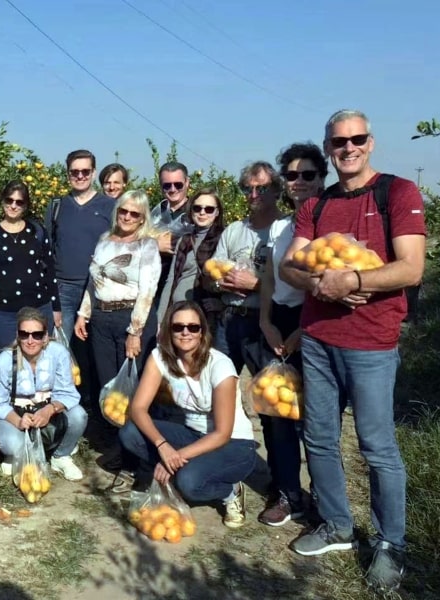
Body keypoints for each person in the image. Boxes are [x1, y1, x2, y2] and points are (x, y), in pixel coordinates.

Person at [280, 109, 426, 592]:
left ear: (370, 142)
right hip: (319, 339)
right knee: (319, 437)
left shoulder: (397, 192)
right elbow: (289, 269)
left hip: (372, 343)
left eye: (356, 138)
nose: (348, 148)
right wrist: (325, 282)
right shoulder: (316, 206)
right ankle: (338, 525)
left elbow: (410, 270)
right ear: (328, 147)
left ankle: (390, 542)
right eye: (338, 141)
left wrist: (356, 279)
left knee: (377, 446)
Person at [118, 301, 257, 528]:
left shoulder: (220, 366)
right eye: (178, 327)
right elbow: (138, 408)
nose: (185, 332)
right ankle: (174, 474)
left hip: (234, 444)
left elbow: (222, 434)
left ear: (202, 331)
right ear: (168, 331)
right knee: (130, 433)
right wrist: (163, 446)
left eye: (193, 327)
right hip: (193, 434)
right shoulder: (160, 357)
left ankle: (229, 491)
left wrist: (175, 456)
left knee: (189, 483)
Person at [255, 143, 327, 527]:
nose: (298, 182)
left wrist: (304, 328)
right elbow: (269, 275)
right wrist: (266, 320)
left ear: (322, 177)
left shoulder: (331, 220)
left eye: (308, 175)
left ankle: (322, 497)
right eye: (292, 175)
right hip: (280, 320)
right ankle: (288, 492)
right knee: (277, 411)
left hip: (315, 321)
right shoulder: (282, 226)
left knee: (316, 418)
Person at [0, 306, 87, 480]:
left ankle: (60, 455)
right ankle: (17, 454)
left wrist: (50, 409)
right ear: (18, 336)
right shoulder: (5, 360)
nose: (30, 340)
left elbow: (69, 394)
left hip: (49, 412)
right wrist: (18, 421)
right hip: (15, 415)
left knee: (79, 415)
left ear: (46, 337)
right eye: (24, 334)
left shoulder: (58, 354)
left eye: (37, 335)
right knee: (13, 445)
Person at [74, 190, 161, 382]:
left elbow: (147, 292)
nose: (127, 216)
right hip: (101, 318)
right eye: (123, 211)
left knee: (130, 381)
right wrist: (83, 314)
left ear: (142, 219)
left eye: (134, 213)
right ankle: (104, 414)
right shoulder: (105, 240)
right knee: (106, 381)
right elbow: (94, 280)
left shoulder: (146, 245)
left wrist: (135, 332)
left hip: (129, 316)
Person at [208, 161, 285, 378]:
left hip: (267, 324)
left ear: (276, 191)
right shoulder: (234, 230)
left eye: (261, 188)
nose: (253, 194)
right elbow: (211, 273)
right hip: (230, 321)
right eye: (247, 188)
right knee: (220, 387)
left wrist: (255, 285)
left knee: (269, 395)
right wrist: (218, 283)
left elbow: (294, 288)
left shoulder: (285, 230)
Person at [0, 180, 61, 350]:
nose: (13, 206)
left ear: (26, 205)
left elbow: (50, 272)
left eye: (19, 202)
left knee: (41, 361)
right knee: (7, 362)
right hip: (4, 314)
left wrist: (56, 308)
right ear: (2, 201)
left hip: (39, 309)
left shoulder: (37, 231)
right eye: (9, 200)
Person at [44, 149, 115, 339]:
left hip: (99, 288)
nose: (80, 176)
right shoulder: (57, 206)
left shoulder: (110, 206)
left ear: (93, 172)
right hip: (63, 288)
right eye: (75, 172)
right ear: (68, 174)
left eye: (85, 171)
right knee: (61, 347)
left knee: (96, 350)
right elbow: (48, 249)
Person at [155, 187, 225, 327]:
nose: (202, 213)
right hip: (178, 313)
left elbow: (229, 276)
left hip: (205, 317)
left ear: (217, 212)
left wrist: (222, 303)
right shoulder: (185, 240)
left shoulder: (223, 238)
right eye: (197, 208)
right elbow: (171, 280)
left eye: (209, 209)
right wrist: (160, 320)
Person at [151, 161, 193, 303]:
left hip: (183, 287)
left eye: (178, 184)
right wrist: (154, 244)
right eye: (167, 185)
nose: (173, 189)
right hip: (155, 285)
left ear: (187, 182)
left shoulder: (198, 211)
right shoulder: (158, 210)